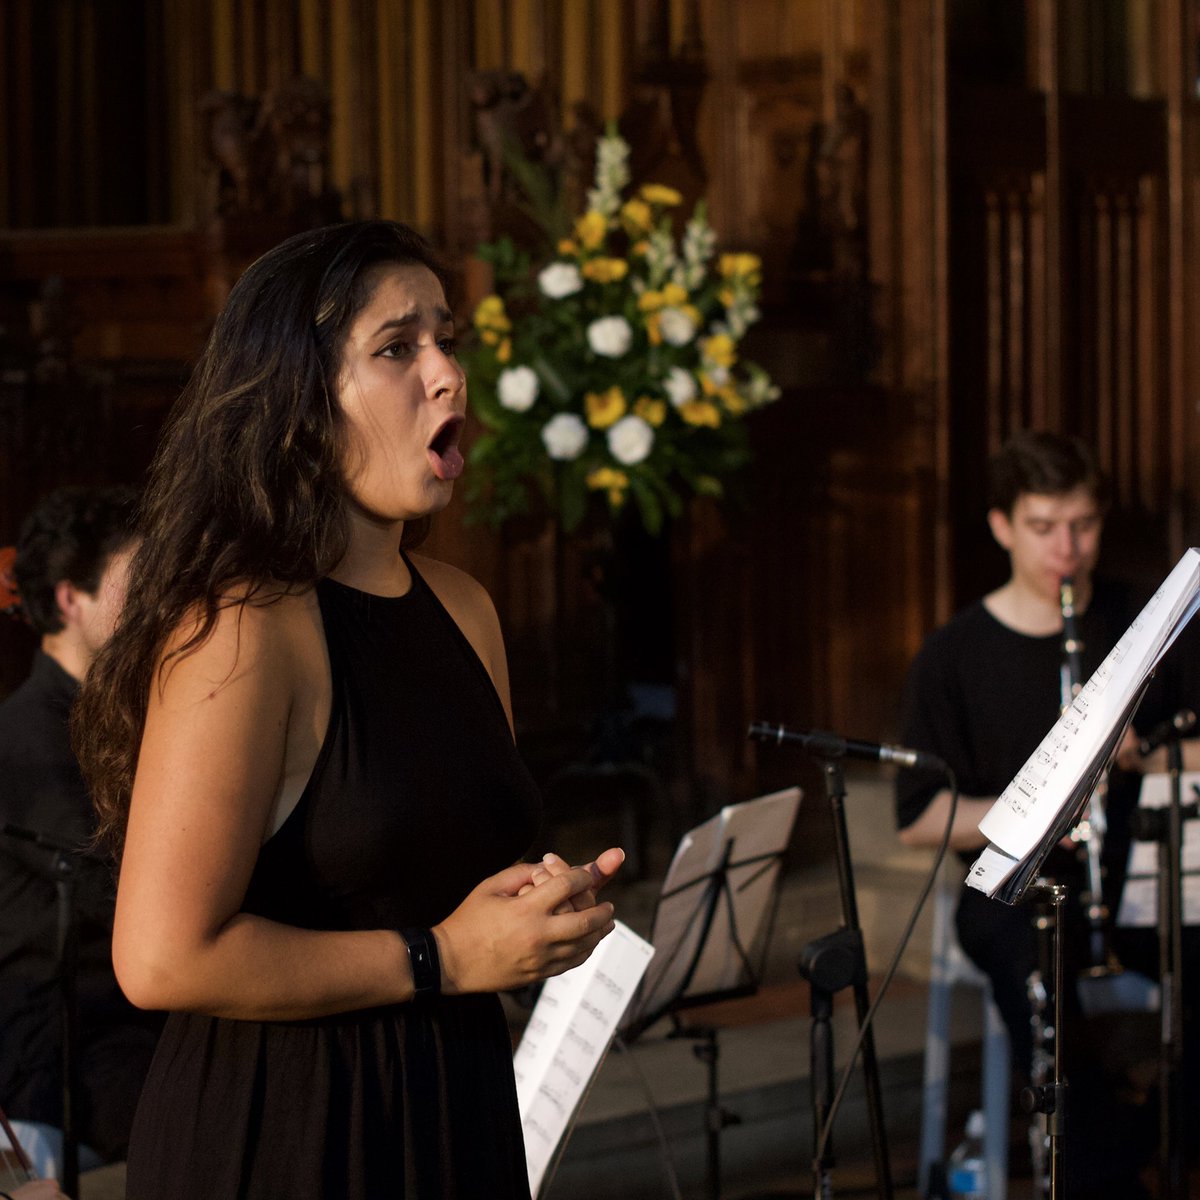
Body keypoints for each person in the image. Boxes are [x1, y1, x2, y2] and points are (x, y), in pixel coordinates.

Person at [72, 219, 623, 1200]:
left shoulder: (465, 607)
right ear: (299, 403)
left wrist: (535, 913)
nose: (448, 375)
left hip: (452, 1099)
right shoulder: (244, 628)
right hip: (292, 1126)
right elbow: (160, 959)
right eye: (397, 349)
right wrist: (442, 956)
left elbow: (442, 876)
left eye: (447, 339)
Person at [894, 431, 1184, 1195]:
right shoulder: (952, 655)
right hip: (1018, 891)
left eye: (1083, 525)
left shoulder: (1142, 623)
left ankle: (1147, 1131)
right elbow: (919, 818)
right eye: (1043, 526)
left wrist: (1141, 754)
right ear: (1001, 526)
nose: (1067, 549)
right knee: (1036, 977)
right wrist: (1039, 806)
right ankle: (1105, 1164)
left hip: (1136, 874)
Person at [0, 485, 159, 1168]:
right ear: (71, 599)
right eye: (137, 581)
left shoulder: (120, 718)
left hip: (131, 1030)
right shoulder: (25, 738)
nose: (156, 600)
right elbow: (125, 889)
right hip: (67, 1056)